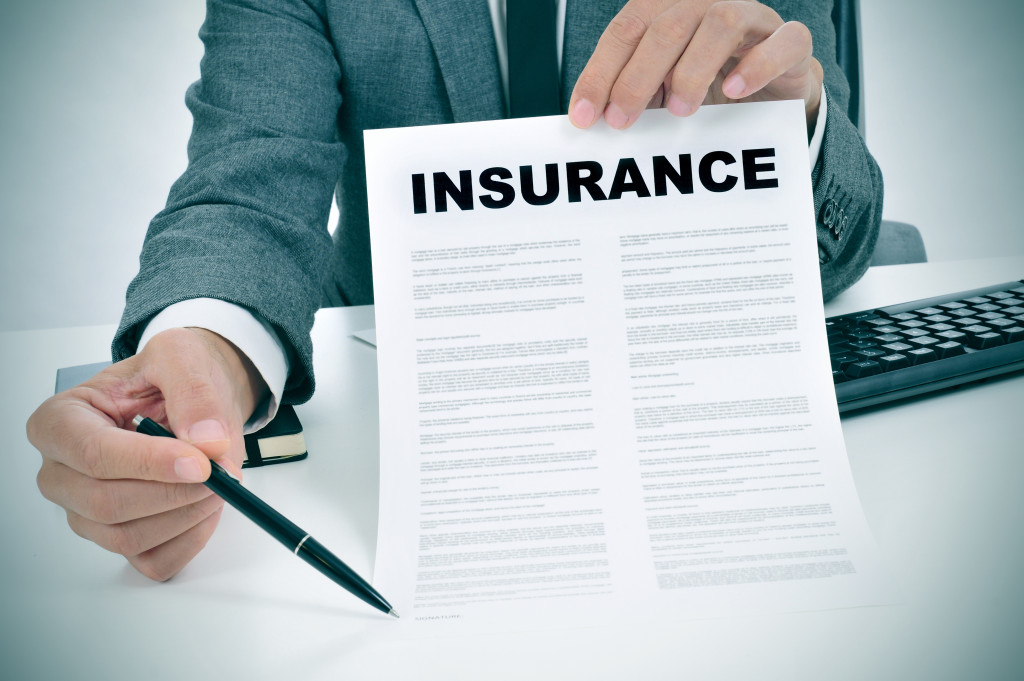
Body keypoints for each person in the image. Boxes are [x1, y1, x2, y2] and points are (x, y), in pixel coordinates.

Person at [26, 0, 881, 582]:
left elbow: (842, 229)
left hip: (694, 403)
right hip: (425, 412)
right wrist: (203, 345)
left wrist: (792, 123)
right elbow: (249, 184)